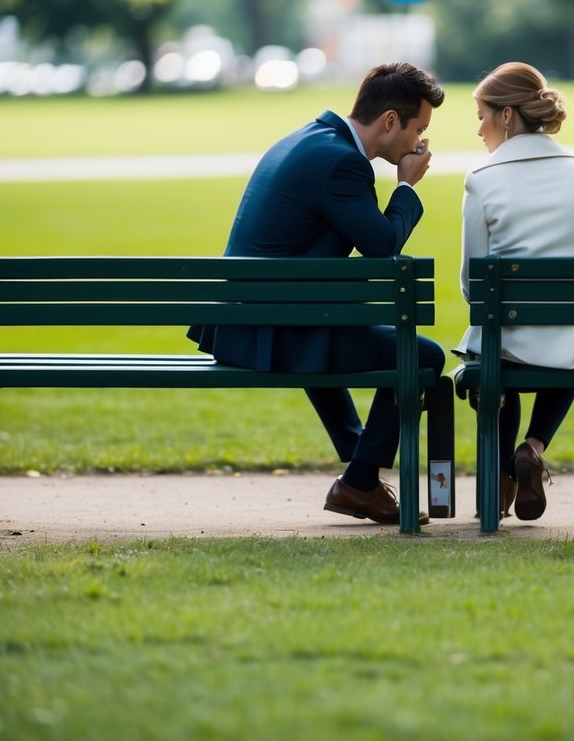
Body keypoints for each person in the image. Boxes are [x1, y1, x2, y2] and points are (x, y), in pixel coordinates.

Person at [188, 61, 447, 526]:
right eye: (418, 128)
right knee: (423, 357)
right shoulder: (343, 163)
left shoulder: (308, 137)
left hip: (247, 322)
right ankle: (361, 480)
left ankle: (358, 460)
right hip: (274, 330)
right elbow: (382, 248)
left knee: (330, 323)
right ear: (390, 121)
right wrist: (406, 186)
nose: (419, 143)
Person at [454, 62, 574, 522]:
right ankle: (531, 448)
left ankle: (498, 479)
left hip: (508, 342)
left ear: (507, 116)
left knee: (493, 354)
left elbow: (473, 283)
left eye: (482, 115)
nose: (478, 129)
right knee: (572, 342)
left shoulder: (482, 180)